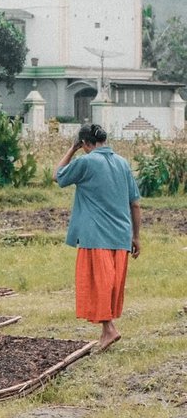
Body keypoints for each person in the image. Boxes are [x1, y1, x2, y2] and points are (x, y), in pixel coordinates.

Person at [55, 123, 141, 352]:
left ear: (84, 144)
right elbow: (135, 203)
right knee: (110, 285)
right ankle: (106, 330)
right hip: (121, 235)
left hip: (96, 235)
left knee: (97, 284)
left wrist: (71, 150)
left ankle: (109, 328)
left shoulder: (86, 161)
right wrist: (137, 237)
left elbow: (59, 176)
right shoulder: (123, 163)